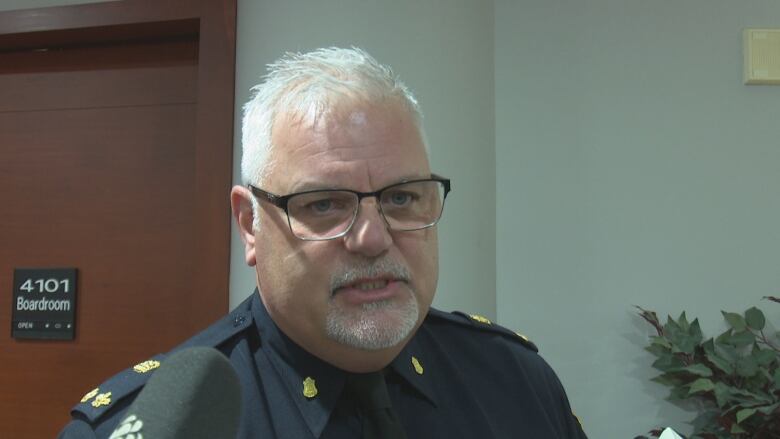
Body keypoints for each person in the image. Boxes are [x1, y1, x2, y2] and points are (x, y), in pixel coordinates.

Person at [59, 47, 588, 438]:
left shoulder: (516, 382)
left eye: (402, 199)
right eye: (324, 205)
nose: (373, 238)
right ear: (249, 224)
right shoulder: (152, 427)